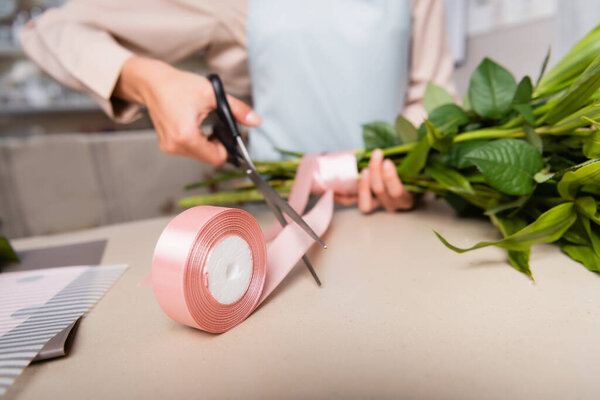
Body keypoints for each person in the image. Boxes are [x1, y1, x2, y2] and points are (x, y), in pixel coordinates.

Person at [20, 0, 455, 213]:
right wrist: (150, 82)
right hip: (273, 222)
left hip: (392, 216)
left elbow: (431, 96)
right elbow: (50, 30)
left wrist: (405, 169)